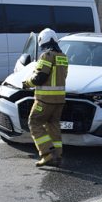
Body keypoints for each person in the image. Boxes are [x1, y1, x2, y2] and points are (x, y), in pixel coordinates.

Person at [23, 29, 68, 167]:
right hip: (59, 100)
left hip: (45, 99)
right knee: (53, 126)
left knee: (34, 122)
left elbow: (40, 77)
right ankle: (57, 156)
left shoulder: (46, 56)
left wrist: (26, 84)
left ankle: (47, 154)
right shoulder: (63, 56)